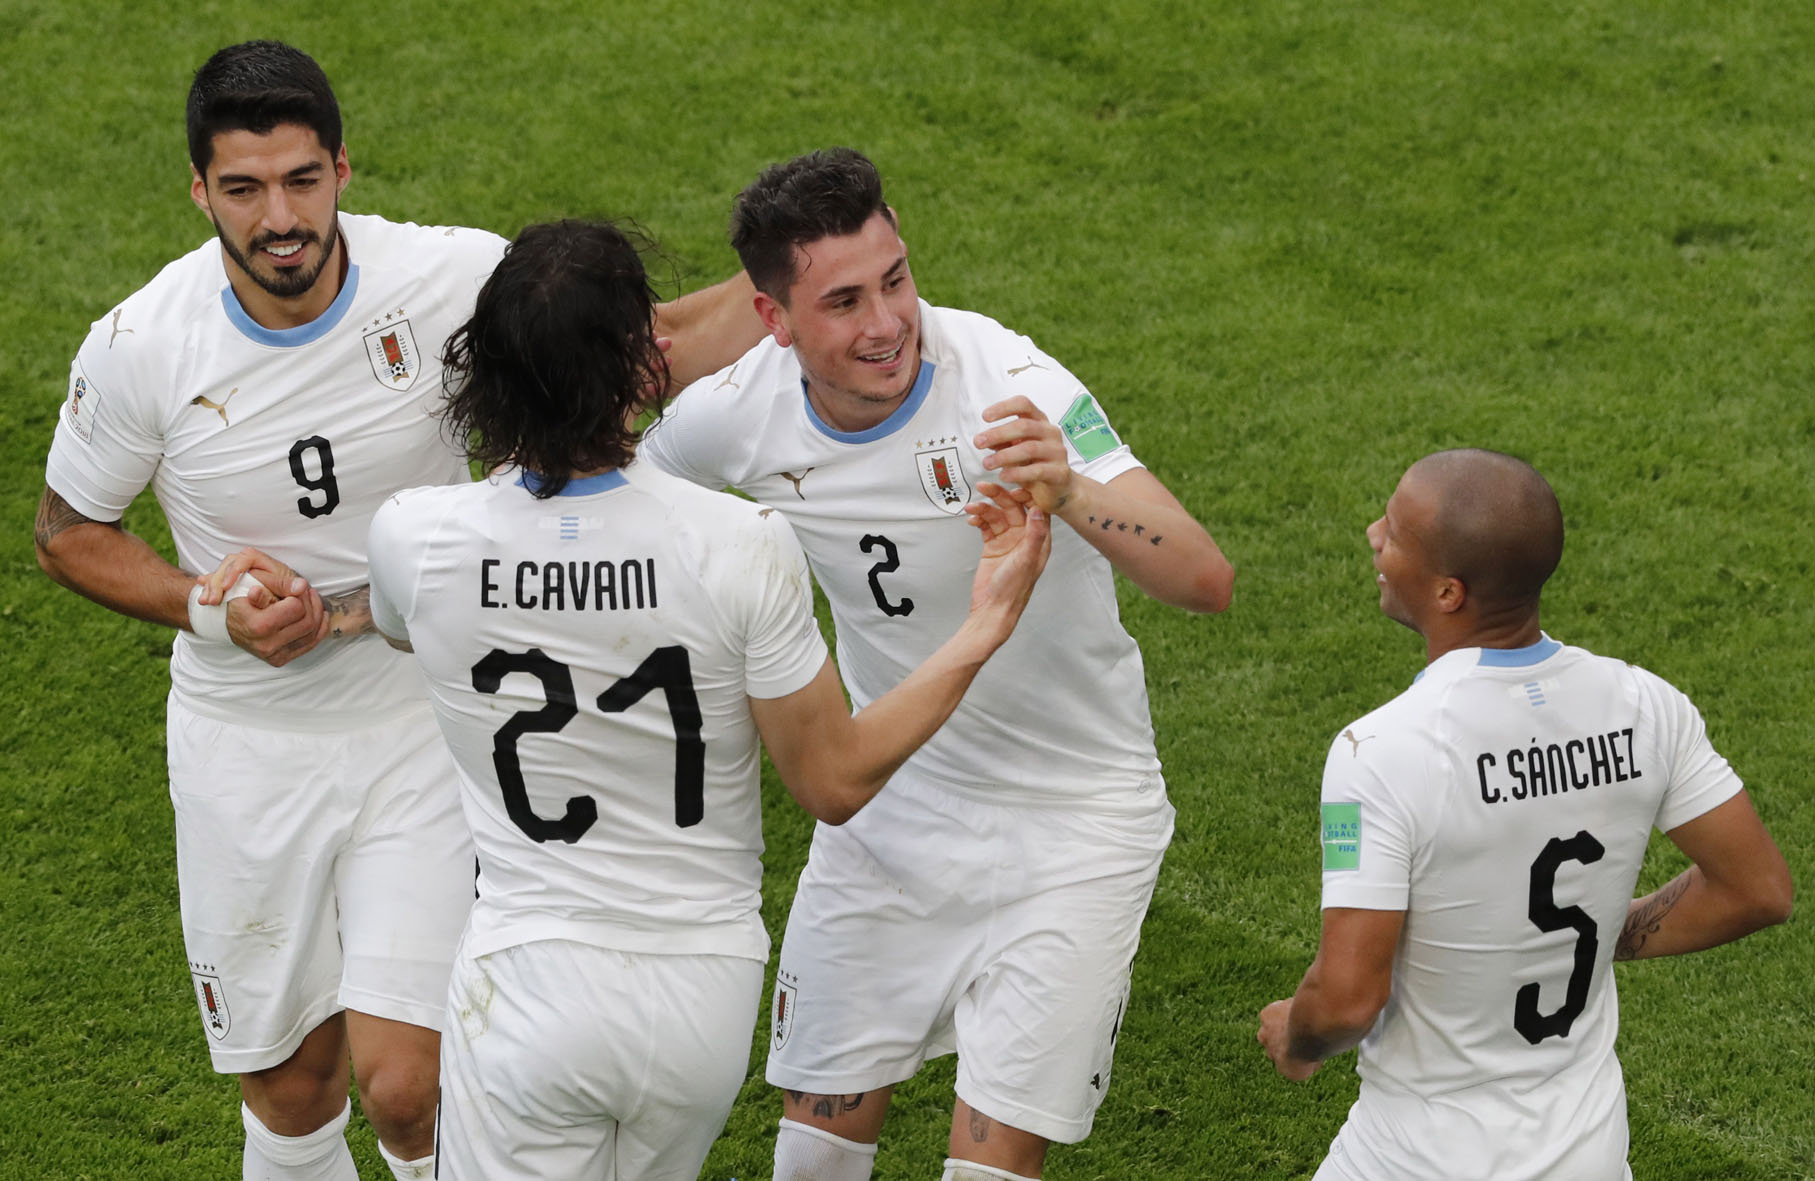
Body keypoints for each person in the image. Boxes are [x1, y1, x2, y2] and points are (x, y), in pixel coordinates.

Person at [33, 41, 756, 1181]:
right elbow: (66, 532)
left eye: (302, 180)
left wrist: (791, 295)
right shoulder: (141, 348)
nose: (281, 218)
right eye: (244, 189)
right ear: (198, 191)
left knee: (408, 1082)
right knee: (291, 1088)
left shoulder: (443, 279)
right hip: (244, 744)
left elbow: (627, 349)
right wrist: (200, 602)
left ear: (342, 167)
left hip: (415, 723)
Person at [363, 216, 1051, 1179]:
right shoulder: (742, 542)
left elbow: (402, 626)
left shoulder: (414, 536)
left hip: (528, 985)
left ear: (491, 368)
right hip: (699, 1000)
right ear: (646, 363)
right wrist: (981, 624)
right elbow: (835, 779)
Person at [638, 147, 1235, 1181]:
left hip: (1076, 824)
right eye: (844, 301)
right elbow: (631, 500)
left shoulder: (1010, 386)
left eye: (896, 279)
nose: (887, 323)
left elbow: (1202, 575)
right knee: (811, 1158)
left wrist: (1071, 490)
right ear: (775, 320)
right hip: (892, 813)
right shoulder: (734, 414)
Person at [1256, 449, 1793, 1180]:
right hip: (1587, 1152)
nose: (1373, 533)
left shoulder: (1378, 751)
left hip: (1418, 1156)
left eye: (1396, 531)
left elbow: (1348, 998)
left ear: (1448, 592)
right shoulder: (1644, 706)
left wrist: (1295, 1034)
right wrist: (1605, 934)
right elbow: (1756, 886)